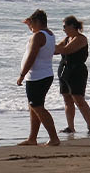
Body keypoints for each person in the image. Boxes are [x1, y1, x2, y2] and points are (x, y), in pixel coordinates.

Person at [17, 9, 61, 146]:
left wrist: (22, 75)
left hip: (38, 76)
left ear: (37, 22)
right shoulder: (49, 34)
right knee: (34, 107)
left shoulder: (38, 36)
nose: (30, 27)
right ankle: (32, 138)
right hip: (43, 74)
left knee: (37, 107)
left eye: (31, 24)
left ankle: (54, 138)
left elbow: (32, 56)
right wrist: (30, 25)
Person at [56, 15, 90, 134]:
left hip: (77, 71)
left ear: (72, 26)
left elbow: (66, 50)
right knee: (67, 99)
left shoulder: (81, 39)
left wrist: (47, 45)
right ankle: (70, 127)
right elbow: (57, 50)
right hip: (64, 70)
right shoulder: (67, 38)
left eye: (64, 27)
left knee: (79, 99)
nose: (63, 29)